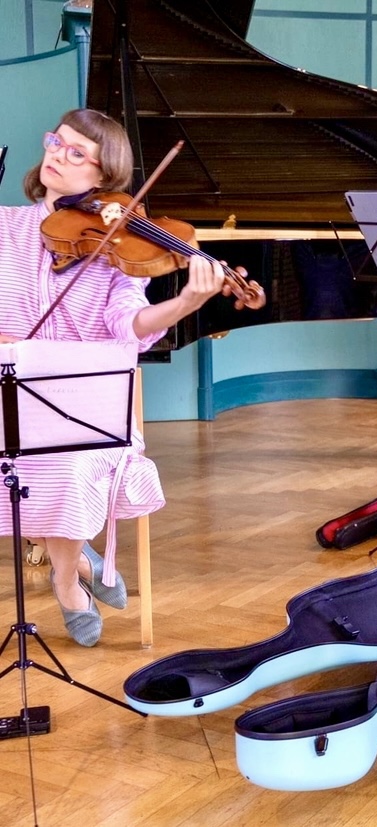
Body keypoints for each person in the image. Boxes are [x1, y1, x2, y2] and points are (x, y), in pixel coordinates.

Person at [0, 108, 236, 646]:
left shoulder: (118, 247)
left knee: (65, 465)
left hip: (84, 405)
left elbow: (129, 326)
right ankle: (79, 562)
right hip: (9, 393)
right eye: (56, 142)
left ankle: (66, 580)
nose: (57, 155)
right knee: (16, 461)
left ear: (104, 177)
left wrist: (186, 302)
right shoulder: (4, 227)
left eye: (76, 153)